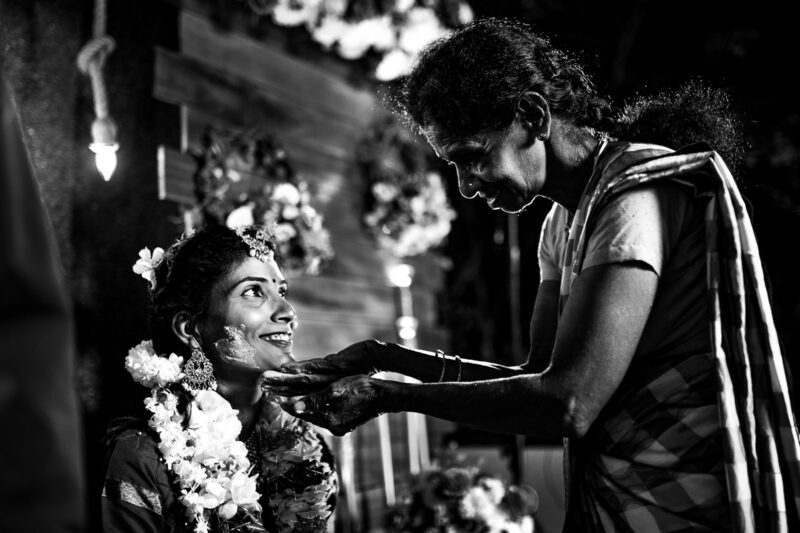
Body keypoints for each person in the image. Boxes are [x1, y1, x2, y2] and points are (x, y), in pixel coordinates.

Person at [261, 18, 800, 533]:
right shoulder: (559, 224)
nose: (466, 186)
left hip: (682, 505)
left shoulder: (633, 198)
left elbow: (568, 404)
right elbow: (537, 377)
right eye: (454, 166)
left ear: (533, 117)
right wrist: (385, 357)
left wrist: (389, 396)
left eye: (473, 156)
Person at [101, 224, 338, 533]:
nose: (288, 312)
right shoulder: (145, 456)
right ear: (191, 329)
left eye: (281, 291)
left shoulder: (309, 446)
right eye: (253, 291)